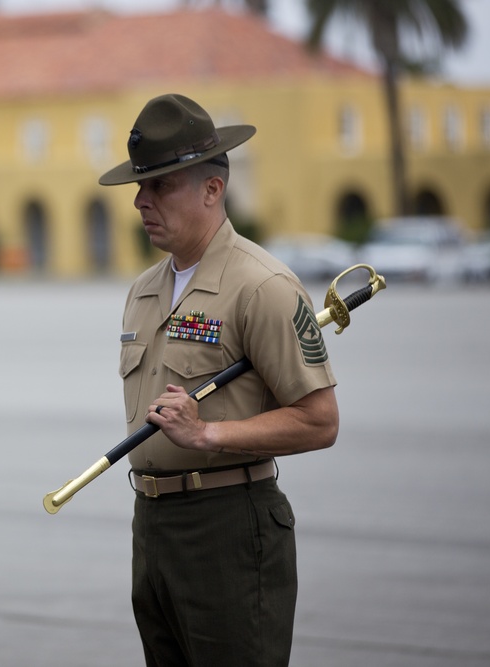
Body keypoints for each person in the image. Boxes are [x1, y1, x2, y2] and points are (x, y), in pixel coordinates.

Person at [98, 93, 339, 666]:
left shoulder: (263, 286)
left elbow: (319, 420)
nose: (140, 201)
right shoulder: (144, 291)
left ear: (212, 189)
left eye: (160, 185)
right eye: (140, 185)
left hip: (229, 524)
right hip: (153, 524)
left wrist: (209, 435)